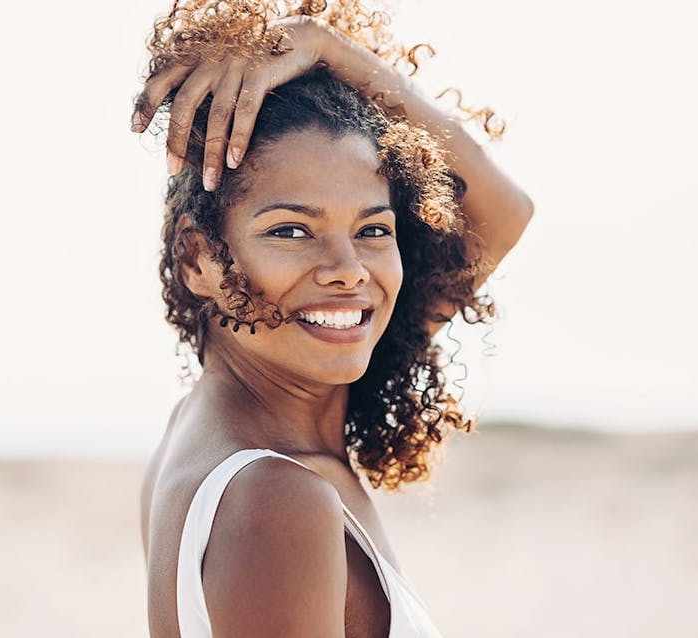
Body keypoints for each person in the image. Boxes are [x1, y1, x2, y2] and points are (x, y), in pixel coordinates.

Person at [132, 2, 534, 636]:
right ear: (197, 257)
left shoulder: (217, 423)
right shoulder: (275, 497)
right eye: (292, 230)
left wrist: (331, 50)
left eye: (373, 229)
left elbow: (499, 216)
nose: (348, 270)